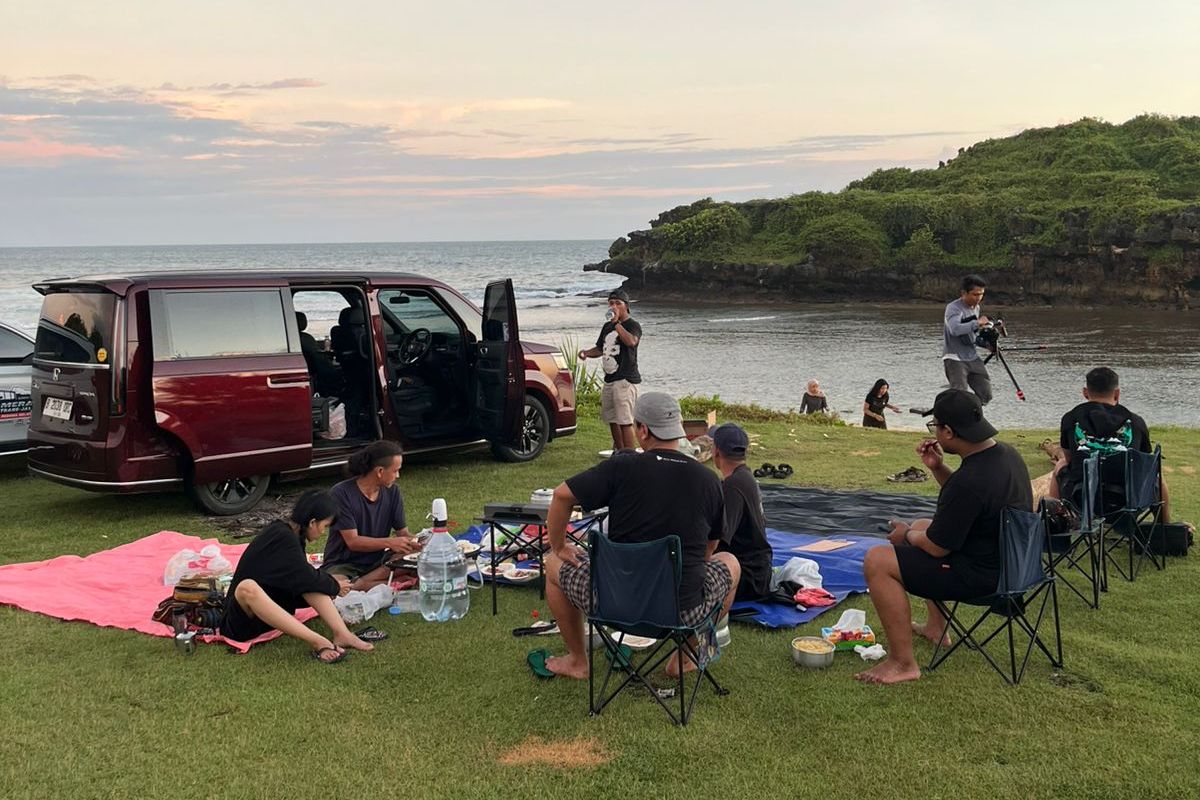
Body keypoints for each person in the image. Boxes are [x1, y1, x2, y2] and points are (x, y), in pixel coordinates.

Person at [540, 392, 741, 679]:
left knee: (552, 565)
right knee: (731, 562)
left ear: (643, 430)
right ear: (679, 430)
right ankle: (684, 656)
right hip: (682, 612)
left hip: (612, 603)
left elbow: (561, 496)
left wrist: (559, 546)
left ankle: (578, 661)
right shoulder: (709, 480)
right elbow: (711, 547)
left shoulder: (621, 466)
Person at [856, 389, 1031, 685]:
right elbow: (971, 502)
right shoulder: (1005, 455)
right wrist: (938, 468)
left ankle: (902, 663)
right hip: (1017, 565)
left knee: (878, 560)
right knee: (926, 521)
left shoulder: (971, 480)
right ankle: (937, 629)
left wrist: (907, 535)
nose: (935, 432)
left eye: (935, 425)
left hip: (985, 578)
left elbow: (937, 548)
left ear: (948, 431)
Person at [220, 488, 375, 662]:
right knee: (247, 587)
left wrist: (330, 583)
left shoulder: (294, 536)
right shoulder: (281, 536)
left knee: (313, 580)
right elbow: (304, 575)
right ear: (312, 522)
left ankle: (343, 633)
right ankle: (318, 641)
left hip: (272, 613)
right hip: (241, 623)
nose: (323, 532)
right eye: (324, 526)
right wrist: (334, 585)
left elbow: (302, 577)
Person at [1048, 366, 1171, 521]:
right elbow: (1144, 462)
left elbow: (1069, 458)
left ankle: (1056, 525)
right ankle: (1165, 527)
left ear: (1085, 392)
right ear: (1117, 393)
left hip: (1081, 499)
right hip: (1128, 502)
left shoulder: (1070, 418)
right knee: (1155, 473)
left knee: (1060, 466)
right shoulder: (1135, 421)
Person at [322, 440, 422, 590]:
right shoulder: (341, 493)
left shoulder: (393, 491)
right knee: (335, 588)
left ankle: (364, 583)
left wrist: (420, 543)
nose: (398, 475)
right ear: (380, 471)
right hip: (343, 563)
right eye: (395, 471)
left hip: (379, 560)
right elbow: (353, 542)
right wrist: (390, 542)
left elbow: (403, 532)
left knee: (423, 558)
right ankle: (369, 583)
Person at [710, 423, 773, 602]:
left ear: (716, 451)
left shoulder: (733, 486)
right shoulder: (745, 477)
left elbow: (718, 540)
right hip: (759, 569)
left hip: (749, 576)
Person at [577, 288, 642, 451]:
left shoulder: (632, 325)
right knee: (612, 418)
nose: (613, 306)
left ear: (626, 306)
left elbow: (631, 342)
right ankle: (619, 451)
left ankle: (629, 453)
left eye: (617, 303)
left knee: (625, 420)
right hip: (610, 379)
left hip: (625, 379)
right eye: (611, 303)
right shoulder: (606, 327)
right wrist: (586, 353)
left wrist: (617, 324)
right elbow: (600, 348)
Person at [943, 274, 993, 405]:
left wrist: (987, 344)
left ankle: (971, 414)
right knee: (959, 394)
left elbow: (972, 336)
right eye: (975, 294)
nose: (979, 298)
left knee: (986, 393)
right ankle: (954, 420)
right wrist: (978, 323)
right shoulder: (953, 308)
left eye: (982, 294)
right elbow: (955, 329)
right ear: (963, 293)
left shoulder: (976, 308)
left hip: (972, 357)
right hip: (955, 358)